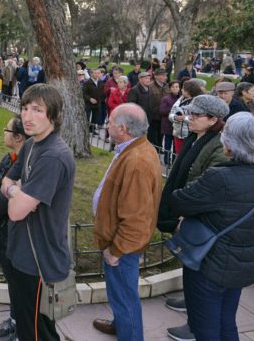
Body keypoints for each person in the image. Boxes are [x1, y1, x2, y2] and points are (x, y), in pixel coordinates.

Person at [169, 112, 254, 340]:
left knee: (205, 328)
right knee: (227, 322)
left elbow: (179, 201)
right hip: (242, 263)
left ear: (229, 143)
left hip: (211, 264)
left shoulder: (220, 177)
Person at [0, 84, 76, 341]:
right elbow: (5, 182)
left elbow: (16, 212)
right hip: (22, 253)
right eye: (24, 108)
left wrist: (16, 193)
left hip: (39, 262)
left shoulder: (53, 156)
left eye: (37, 110)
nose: (27, 116)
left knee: (37, 333)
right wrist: (15, 190)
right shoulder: (32, 144)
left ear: (53, 116)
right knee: (27, 325)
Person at [157, 95, 230, 341]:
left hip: (195, 215)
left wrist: (183, 210)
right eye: (190, 114)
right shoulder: (194, 137)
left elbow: (206, 184)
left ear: (213, 120)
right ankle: (191, 305)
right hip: (183, 209)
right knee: (190, 265)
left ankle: (195, 326)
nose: (190, 119)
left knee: (199, 270)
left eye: (196, 115)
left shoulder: (218, 144)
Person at [91, 103, 162, 339]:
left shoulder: (137, 161)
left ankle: (130, 333)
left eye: (110, 121)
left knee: (124, 296)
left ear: (122, 128)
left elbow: (136, 217)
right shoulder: (133, 148)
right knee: (120, 294)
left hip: (122, 248)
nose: (106, 124)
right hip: (120, 243)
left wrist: (117, 250)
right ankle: (121, 324)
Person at [0, 115, 28, 341]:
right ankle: (14, 320)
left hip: (14, 237)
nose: (4, 133)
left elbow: (11, 203)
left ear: (18, 137)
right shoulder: (8, 158)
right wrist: (2, 192)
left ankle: (22, 329)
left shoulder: (28, 166)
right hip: (0, 233)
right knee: (12, 282)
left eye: (7, 130)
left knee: (20, 286)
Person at [169, 79, 205, 154]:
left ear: (188, 91)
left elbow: (198, 119)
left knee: (187, 154)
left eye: (183, 88)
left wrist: (184, 118)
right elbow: (171, 114)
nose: (181, 90)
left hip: (190, 135)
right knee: (177, 154)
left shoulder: (197, 102)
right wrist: (175, 117)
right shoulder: (180, 100)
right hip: (178, 134)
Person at [160, 81, 181, 164]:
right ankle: (166, 161)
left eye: (177, 87)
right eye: (173, 87)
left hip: (177, 126)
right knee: (167, 145)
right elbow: (162, 111)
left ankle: (174, 161)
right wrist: (173, 110)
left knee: (176, 146)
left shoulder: (181, 99)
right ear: (170, 88)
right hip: (168, 125)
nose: (175, 89)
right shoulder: (166, 99)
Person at [148, 69, 170, 148]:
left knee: (161, 135)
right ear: (156, 76)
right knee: (152, 135)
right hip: (153, 116)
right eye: (163, 75)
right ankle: (152, 149)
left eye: (166, 76)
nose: (165, 77)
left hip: (164, 116)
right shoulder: (150, 86)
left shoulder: (167, 86)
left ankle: (159, 148)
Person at [83, 68, 105, 132]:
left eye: (98, 73)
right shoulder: (87, 82)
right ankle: (86, 130)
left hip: (97, 103)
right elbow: (84, 93)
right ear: (91, 74)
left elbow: (102, 92)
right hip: (88, 103)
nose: (97, 75)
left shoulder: (101, 82)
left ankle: (92, 129)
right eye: (95, 73)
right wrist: (90, 99)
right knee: (87, 117)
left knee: (95, 117)